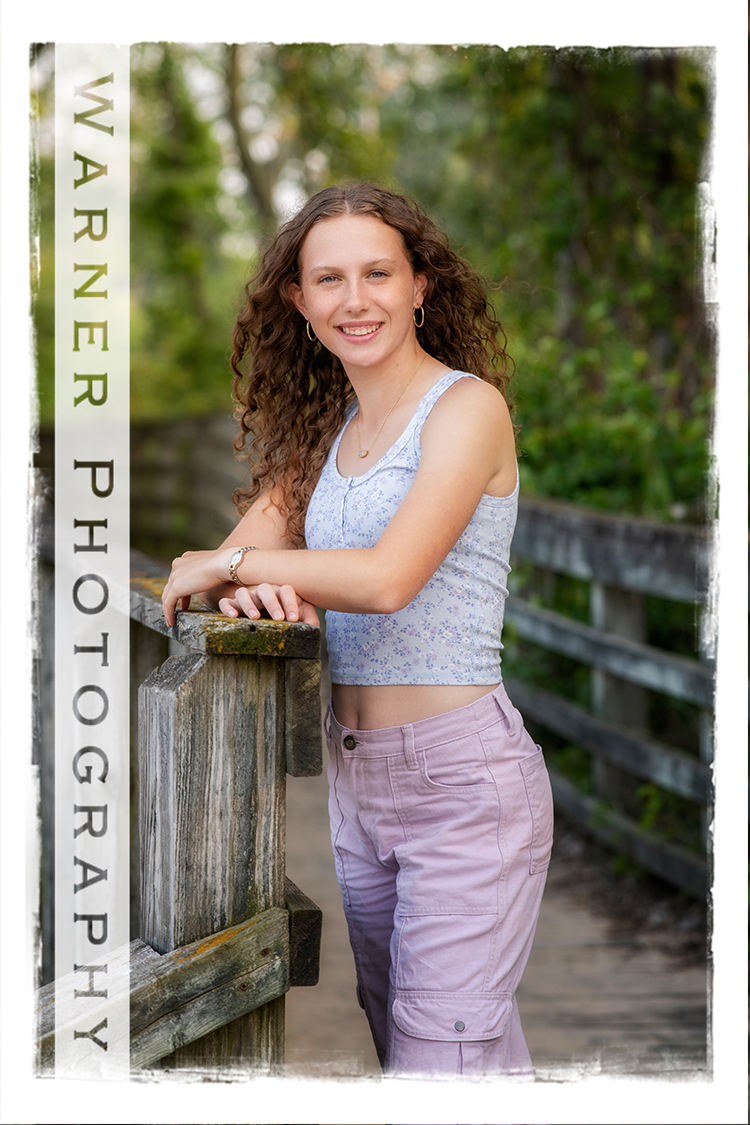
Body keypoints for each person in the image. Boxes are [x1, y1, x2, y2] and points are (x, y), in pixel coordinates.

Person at [162, 183, 554, 1081]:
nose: (355, 298)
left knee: (438, 1063)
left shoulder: (466, 411)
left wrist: (246, 571)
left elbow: (384, 578)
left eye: (378, 272)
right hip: (358, 785)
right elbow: (238, 554)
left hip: (465, 785)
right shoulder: (325, 435)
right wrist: (249, 578)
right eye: (328, 279)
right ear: (299, 303)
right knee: (445, 1056)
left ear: (420, 284)